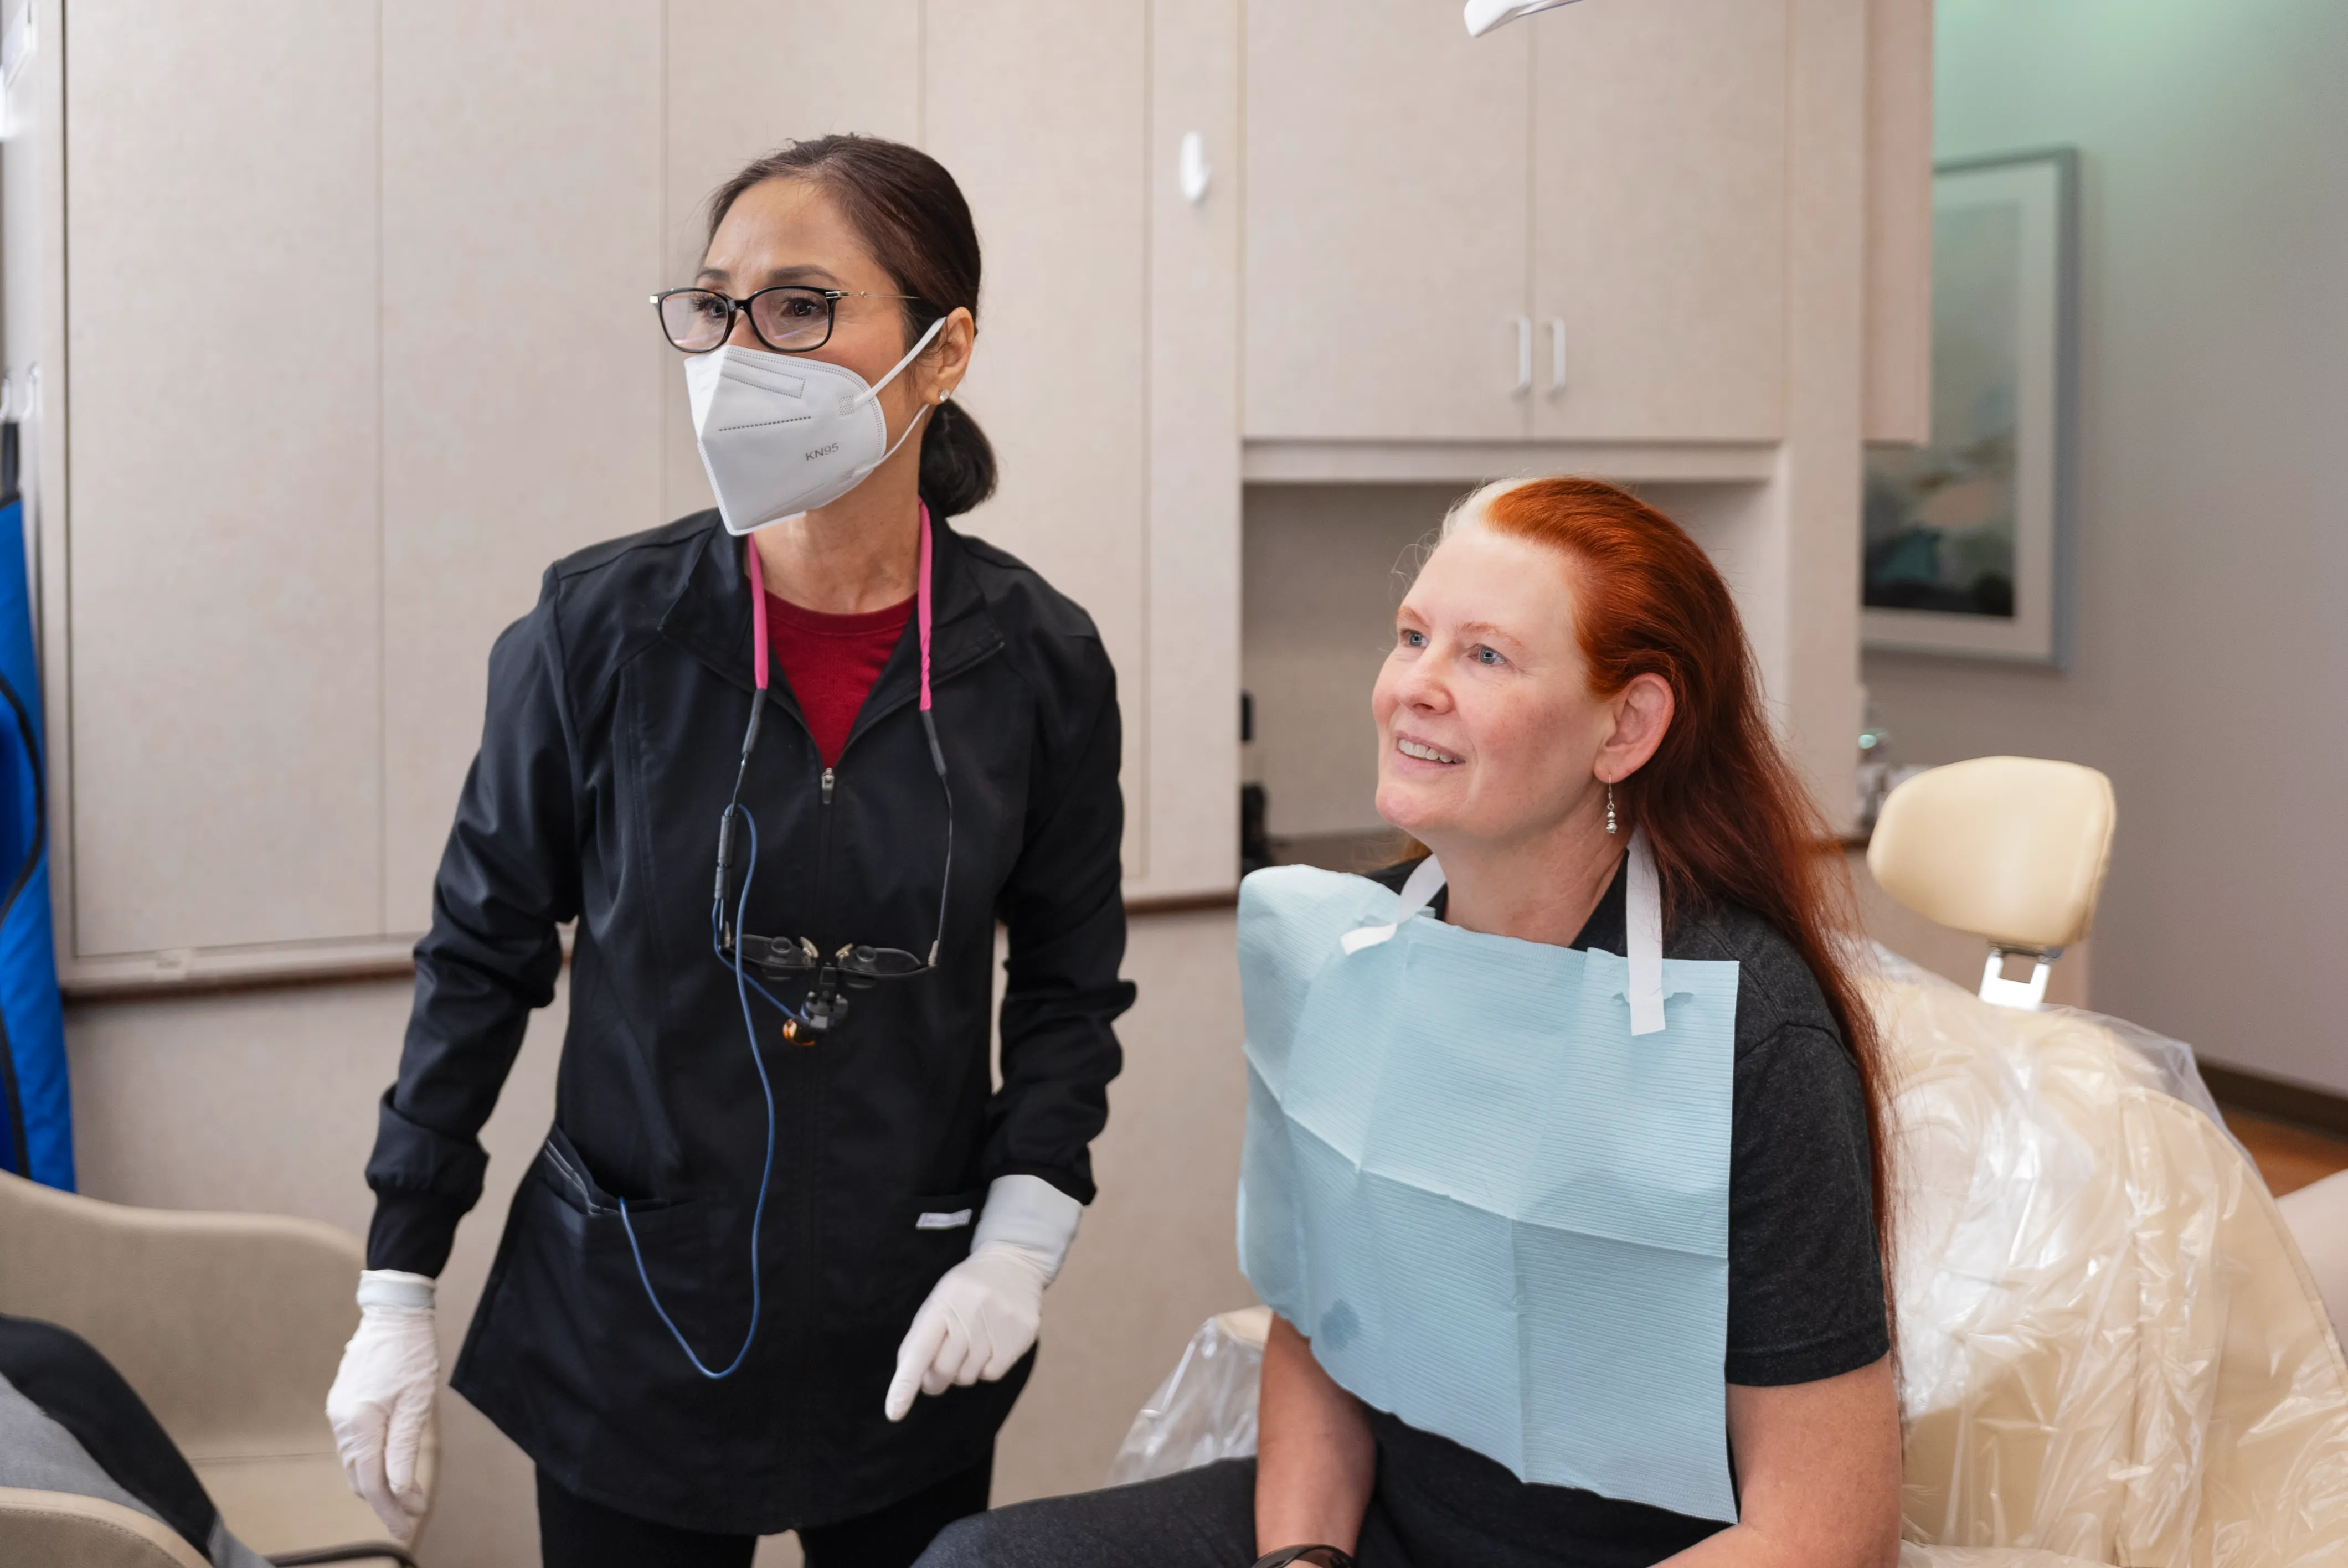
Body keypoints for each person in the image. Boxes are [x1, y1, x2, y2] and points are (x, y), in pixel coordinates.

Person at [324, 135, 1136, 1568]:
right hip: (631, 1307)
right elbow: (481, 954)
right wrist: (397, 1282)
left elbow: (1070, 989)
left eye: (803, 308)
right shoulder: (600, 635)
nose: (741, 350)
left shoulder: (1038, 663)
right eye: (716, 307)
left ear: (942, 354)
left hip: (909, 1315)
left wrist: (1022, 1237)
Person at [921, 477, 1900, 1568]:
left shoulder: (1740, 1034)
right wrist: (1303, 1562)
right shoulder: (1351, 957)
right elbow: (1316, 1329)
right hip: (1377, 1530)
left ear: (1624, 726)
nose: (1411, 690)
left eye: (1483, 656)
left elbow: (1825, 1530)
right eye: (1411, 637)